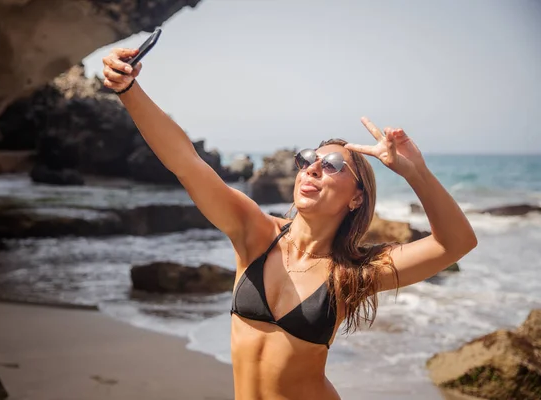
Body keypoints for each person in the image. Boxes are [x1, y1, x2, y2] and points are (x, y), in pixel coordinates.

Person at [101, 48, 477, 400]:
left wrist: (417, 173)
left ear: (356, 197)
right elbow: (186, 161)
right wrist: (129, 89)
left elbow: (455, 243)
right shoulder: (256, 233)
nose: (313, 167)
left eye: (331, 165)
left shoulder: (354, 273)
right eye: (308, 159)